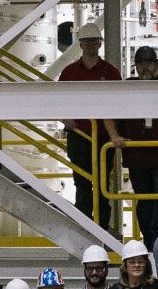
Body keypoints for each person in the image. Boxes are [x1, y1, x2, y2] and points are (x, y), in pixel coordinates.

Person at [59, 24, 120, 229]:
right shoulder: (69, 72)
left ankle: (102, 228)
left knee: (103, 184)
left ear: (100, 43)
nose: (91, 44)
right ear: (81, 44)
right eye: (87, 41)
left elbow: (119, 104)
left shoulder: (110, 72)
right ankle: (85, 228)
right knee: (82, 184)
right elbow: (55, 101)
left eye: (94, 40)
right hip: (79, 136)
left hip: (103, 138)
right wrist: (63, 117)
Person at [115, 45, 158, 240]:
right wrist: (116, 136)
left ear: (157, 65)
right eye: (140, 64)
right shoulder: (129, 87)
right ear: (135, 67)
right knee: (143, 198)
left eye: (149, 64)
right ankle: (149, 239)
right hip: (137, 156)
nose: (145, 68)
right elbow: (115, 115)